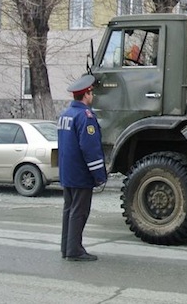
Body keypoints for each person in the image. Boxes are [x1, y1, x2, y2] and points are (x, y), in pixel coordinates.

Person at [57, 74, 107, 261]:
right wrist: (99, 175)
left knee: (69, 210)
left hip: (67, 172)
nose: (92, 96)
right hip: (80, 173)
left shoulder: (65, 115)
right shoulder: (85, 116)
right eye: (91, 93)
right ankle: (75, 250)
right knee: (79, 211)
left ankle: (67, 247)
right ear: (86, 94)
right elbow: (90, 148)